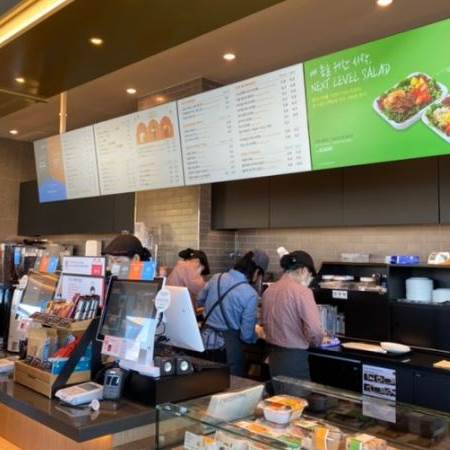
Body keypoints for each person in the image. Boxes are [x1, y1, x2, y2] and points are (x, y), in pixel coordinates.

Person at [198, 250, 269, 377]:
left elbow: (200, 300)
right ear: (256, 272)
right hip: (228, 350)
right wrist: (257, 335)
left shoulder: (216, 278)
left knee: (205, 380)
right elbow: (246, 335)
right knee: (230, 385)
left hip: (205, 341)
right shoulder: (250, 294)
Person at [262, 250, 323, 380]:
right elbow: (315, 331)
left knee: (278, 393)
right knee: (297, 394)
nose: (309, 279)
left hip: (273, 357)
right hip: (294, 359)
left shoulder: (269, 290)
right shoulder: (302, 292)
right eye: (310, 275)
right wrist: (317, 342)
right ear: (303, 270)